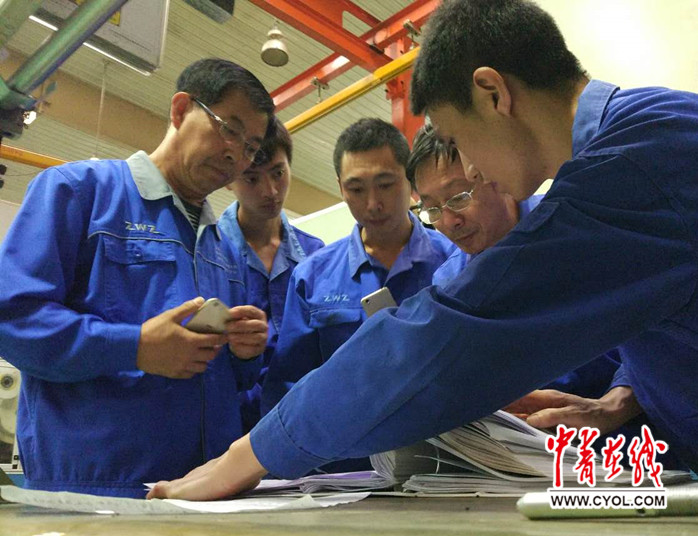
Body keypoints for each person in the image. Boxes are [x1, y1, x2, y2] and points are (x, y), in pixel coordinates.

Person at [148, 0, 698, 500]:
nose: (473, 171)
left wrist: (252, 453)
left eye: (457, 141)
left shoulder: (635, 164)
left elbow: (448, 336)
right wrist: (627, 391)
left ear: (493, 93)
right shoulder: (650, 138)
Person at [0, 58, 273, 497]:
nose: (235, 154)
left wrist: (244, 354)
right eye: (229, 128)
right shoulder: (78, 191)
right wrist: (133, 347)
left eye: (250, 147)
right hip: (92, 493)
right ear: (181, 110)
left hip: (203, 492)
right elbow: (12, 320)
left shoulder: (224, 248)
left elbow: (230, 383)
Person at [260, 119, 457, 453]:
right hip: (344, 464)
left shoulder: (454, 260)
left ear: (409, 179)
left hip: (447, 456)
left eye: (385, 184)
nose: (373, 204)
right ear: (340, 188)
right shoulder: (313, 277)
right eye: (356, 189)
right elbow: (289, 387)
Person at [409, 124, 620, 400]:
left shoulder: (574, 222)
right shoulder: (449, 284)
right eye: (433, 209)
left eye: (458, 198)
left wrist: (619, 399)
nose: (449, 222)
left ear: (494, 173)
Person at [218, 118, 324, 433]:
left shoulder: (317, 255)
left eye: (278, 173)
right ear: (229, 178)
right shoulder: (206, 252)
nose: (270, 191)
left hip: (304, 426)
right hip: (229, 430)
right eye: (252, 178)